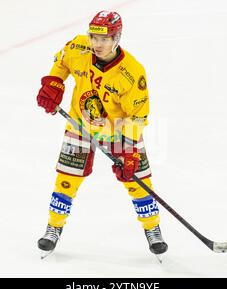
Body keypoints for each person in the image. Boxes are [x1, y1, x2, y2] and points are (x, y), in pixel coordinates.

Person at [36, 11, 168, 258]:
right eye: (94, 37)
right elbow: (62, 61)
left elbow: (138, 116)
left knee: (138, 183)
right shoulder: (78, 46)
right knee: (67, 179)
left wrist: (129, 152)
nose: (97, 44)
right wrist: (54, 82)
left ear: (116, 38)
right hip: (79, 124)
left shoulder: (132, 72)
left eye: (104, 38)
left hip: (118, 129)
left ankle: (153, 229)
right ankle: (53, 227)